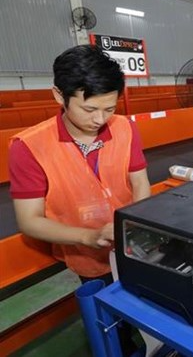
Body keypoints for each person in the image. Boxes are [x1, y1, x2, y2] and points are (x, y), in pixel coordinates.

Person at [9, 45, 151, 283]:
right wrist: (89, 237)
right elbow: (29, 221)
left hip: (136, 243)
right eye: (89, 109)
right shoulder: (28, 146)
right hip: (85, 251)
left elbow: (140, 182)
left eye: (110, 109)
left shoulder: (125, 128)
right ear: (58, 95)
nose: (99, 119)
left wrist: (138, 224)